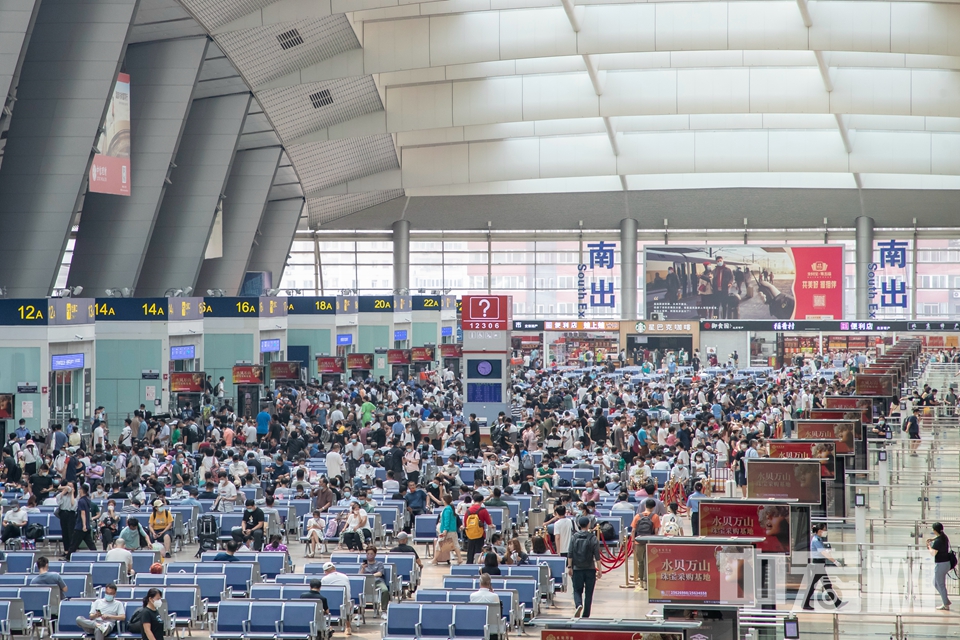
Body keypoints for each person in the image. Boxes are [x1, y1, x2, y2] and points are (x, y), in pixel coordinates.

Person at [801, 523, 843, 610]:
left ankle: (837, 603)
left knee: (825, 584)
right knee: (818, 585)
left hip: (819, 565)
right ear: (820, 531)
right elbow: (823, 553)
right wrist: (835, 561)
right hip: (818, 566)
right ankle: (805, 604)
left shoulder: (818, 539)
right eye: (824, 529)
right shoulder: (816, 540)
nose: (825, 531)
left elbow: (822, 552)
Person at [567, 516, 601, 618]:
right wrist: (599, 569)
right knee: (589, 593)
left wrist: (569, 567)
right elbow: (597, 556)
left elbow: (570, 553)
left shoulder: (574, 537)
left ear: (578, 525)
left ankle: (578, 604)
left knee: (577, 590)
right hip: (590, 568)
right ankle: (586, 615)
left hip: (577, 568)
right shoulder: (593, 538)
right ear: (588, 525)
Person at [321, 562, 352, 636]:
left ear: (325, 571)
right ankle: (348, 627)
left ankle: (328, 626)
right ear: (334, 568)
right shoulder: (345, 576)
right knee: (346, 601)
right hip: (346, 603)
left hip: (332, 604)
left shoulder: (324, 579)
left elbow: (324, 593)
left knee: (322, 604)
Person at [928, 522, 952, 611]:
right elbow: (938, 537)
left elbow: (933, 553)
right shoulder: (944, 537)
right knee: (935, 582)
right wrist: (932, 539)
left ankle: (945, 604)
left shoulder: (937, 542)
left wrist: (929, 546)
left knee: (940, 585)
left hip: (940, 564)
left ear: (934, 530)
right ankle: (945, 600)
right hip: (946, 563)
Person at [68, 483, 96, 557]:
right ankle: (96, 553)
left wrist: (83, 525)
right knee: (90, 543)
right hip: (87, 525)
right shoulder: (87, 500)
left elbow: (82, 513)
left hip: (80, 526)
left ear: (82, 490)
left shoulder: (81, 501)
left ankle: (68, 557)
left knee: (74, 543)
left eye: (80, 489)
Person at [361, 546, 391, 616]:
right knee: (357, 590)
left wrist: (371, 576)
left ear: (375, 554)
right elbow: (359, 575)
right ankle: (360, 611)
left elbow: (380, 573)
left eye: (371, 554)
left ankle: (384, 610)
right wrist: (363, 569)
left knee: (385, 590)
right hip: (366, 583)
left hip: (378, 582)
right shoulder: (363, 565)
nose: (369, 555)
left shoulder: (379, 564)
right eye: (368, 554)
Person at [434, 494, 463, 565]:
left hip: (447, 531)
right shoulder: (451, 509)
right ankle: (460, 559)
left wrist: (445, 530)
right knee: (456, 545)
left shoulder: (447, 509)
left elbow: (447, 521)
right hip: (452, 530)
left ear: (444, 500)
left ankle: (434, 559)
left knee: (439, 544)